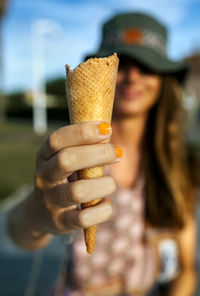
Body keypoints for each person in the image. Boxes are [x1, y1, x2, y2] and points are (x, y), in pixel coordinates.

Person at [7, 12, 197, 296]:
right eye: (122, 64)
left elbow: (186, 269)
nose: (132, 77)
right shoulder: (70, 156)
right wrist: (35, 215)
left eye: (146, 67)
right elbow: (19, 234)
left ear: (163, 81)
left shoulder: (176, 163)